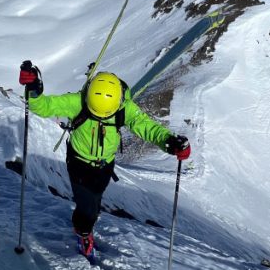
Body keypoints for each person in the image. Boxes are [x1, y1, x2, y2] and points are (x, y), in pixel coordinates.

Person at [18, 61, 191, 258]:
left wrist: (169, 142)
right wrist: (33, 90)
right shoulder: (79, 101)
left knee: (95, 199)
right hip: (79, 163)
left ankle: (87, 222)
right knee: (87, 206)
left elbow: (146, 127)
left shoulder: (124, 108)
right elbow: (44, 107)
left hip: (105, 166)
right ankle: (83, 232)